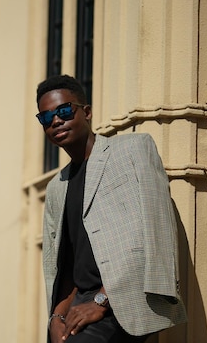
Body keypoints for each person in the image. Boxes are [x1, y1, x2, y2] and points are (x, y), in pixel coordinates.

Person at [37, 75, 187, 343]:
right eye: (46, 118)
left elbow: (156, 226)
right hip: (78, 304)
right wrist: (56, 318)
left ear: (87, 112)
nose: (56, 121)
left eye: (63, 111)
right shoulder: (56, 187)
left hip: (125, 296)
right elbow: (63, 263)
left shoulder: (132, 149)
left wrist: (102, 300)